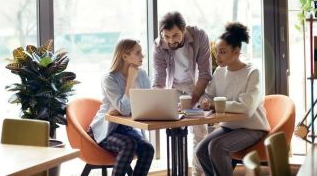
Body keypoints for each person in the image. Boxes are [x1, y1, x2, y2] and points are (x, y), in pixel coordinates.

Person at [195, 22, 270, 176]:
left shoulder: (252, 72)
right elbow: (210, 95)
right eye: (216, 52)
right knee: (201, 150)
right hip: (229, 126)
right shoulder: (219, 72)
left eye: (222, 52)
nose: (217, 56)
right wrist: (204, 101)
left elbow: (246, 107)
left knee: (217, 147)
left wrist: (215, 105)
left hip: (252, 128)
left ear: (236, 51)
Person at [152, 11, 212, 176]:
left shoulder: (199, 36)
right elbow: (159, 81)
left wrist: (192, 101)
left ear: (184, 29)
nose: (171, 40)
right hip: (174, 88)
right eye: (167, 36)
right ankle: (180, 172)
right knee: (177, 132)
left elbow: (206, 73)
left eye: (176, 35)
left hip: (196, 86)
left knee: (200, 132)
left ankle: (198, 173)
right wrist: (160, 103)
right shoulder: (159, 46)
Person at [88, 39, 154, 176]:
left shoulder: (142, 74)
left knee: (148, 148)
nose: (143, 56)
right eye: (138, 53)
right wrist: (130, 81)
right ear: (125, 56)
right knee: (129, 145)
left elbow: (147, 104)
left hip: (126, 128)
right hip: (105, 130)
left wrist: (122, 110)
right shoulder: (109, 79)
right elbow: (125, 109)